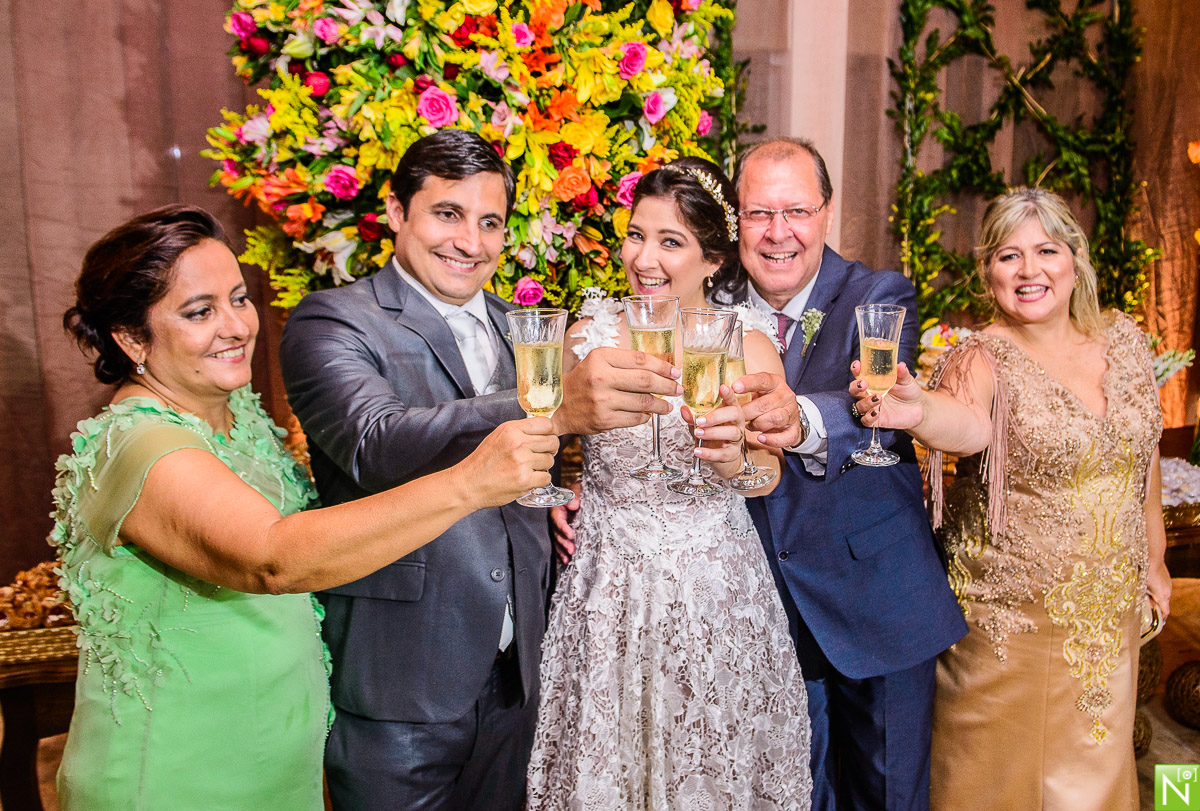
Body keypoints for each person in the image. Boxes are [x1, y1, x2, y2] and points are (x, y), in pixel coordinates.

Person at [279, 129, 733, 810]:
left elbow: (530, 465)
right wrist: (547, 406)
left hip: (519, 680)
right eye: (447, 214)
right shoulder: (333, 320)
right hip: (403, 685)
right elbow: (373, 444)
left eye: (490, 222)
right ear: (397, 212)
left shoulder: (520, 325)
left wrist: (564, 493)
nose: (471, 240)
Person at [52, 205, 558, 810]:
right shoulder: (139, 442)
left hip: (272, 751)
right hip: (178, 764)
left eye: (239, 300)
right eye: (199, 312)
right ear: (132, 338)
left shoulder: (238, 418)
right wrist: (471, 482)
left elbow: (337, 528)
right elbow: (274, 558)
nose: (235, 326)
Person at [851, 187, 1170, 809]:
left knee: (1097, 782)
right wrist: (915, 409)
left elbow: (1144, 455)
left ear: (1075, 258)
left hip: (1107, 624)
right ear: (987, 271)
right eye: (1008, 256)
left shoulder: (1126, 342)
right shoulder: (982, 356)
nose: (1029, 271)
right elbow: (966, 424)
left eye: (1046, 250)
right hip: (1010, 634)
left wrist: (1154, 559)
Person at [527, 157, 813, 809]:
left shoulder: (751, 344)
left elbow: (765, 474)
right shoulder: (586, 338)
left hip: (716, 594)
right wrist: (552, 496)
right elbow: (543, 437)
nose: (644, 258)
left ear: (714, 259)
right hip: (606, 590)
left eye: (670, 241)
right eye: (636, 234)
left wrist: (733, 461)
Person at [725, 137, 968, 810]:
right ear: (735, 219)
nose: (778, 233)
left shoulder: (878, 293)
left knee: (886, 797)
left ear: (827, 212)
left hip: (876, 603)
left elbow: (878, 404)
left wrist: (797, 418)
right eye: (759, 214)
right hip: (760, 614)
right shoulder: (709, 307)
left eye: (797, 211)